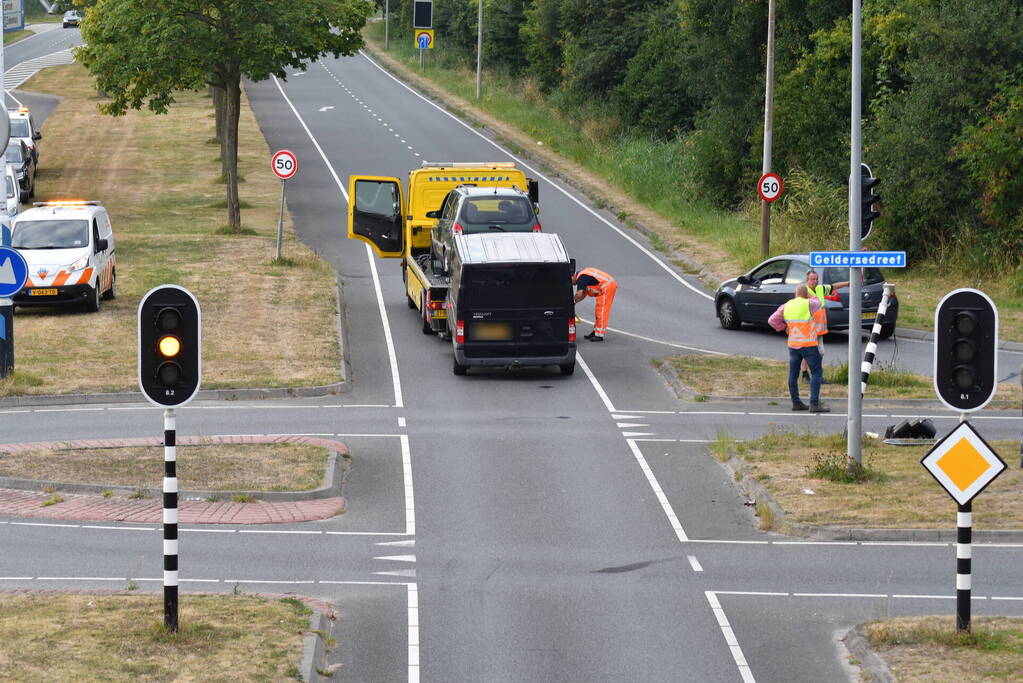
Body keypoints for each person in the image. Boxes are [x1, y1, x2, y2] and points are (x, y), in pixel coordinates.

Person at [768, 284, 830, 413]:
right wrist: (810, 295)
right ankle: (814, 404)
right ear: (806, 294)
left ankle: (796, 403)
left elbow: (771, 320)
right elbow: (818, 302)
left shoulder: (786, 306)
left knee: (793, 375)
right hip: (809, 344)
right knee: (817, 373)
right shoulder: (809, 303)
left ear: (795, 294)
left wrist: (783, 328)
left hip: (793, 345)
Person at [799, 269, 850, 383]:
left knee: (819, 352)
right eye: (813, 279)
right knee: (809, 352)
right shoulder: (804, 291)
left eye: (816, 279)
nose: (815, 281)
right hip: (809, 328)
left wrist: (848, 283)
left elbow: (833, 287)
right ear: (807, 280)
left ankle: (815, 375)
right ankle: (807, 375)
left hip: (820, 328)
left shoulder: (820, 288)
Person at [573, 267, 617, 341]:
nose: (572, 284)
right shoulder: (583, 275)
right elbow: (584, 294)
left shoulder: (581, 278)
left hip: (607, 286)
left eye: (571, 281)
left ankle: (599, 335)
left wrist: (572, 302)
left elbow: (579, 293)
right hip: (606, 285)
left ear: (573, 276)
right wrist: (574, 303)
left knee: (602, 310)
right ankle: (595, 332)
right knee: (598, 310)